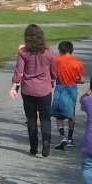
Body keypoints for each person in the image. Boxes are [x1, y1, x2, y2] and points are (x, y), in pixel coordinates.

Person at [10, 23, 57, 157]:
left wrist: (14, 87)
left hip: (28, 89)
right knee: (45, 118)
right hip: (45, 89)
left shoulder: (23, 52)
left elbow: (19, 72)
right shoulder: (49, 52)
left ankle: (33, 146)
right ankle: (46, 142)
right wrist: (52, 81)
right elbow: (53, 71)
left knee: (31, 119)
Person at [52, 40, 86, 149]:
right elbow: (82, 80)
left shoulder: (56, 60)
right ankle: (70, 138)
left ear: (60, 50)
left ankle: (62, 136)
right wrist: (74, 78)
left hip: (59, 88)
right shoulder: (78, 62)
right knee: (71, 114)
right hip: (71, 89)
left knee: (59, 115)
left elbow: (52, 73)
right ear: (72, 50)